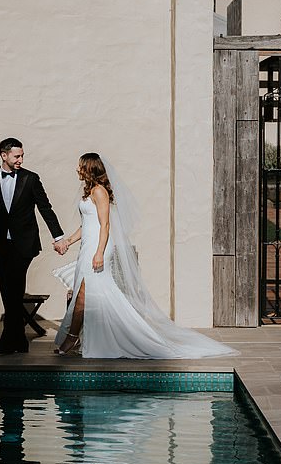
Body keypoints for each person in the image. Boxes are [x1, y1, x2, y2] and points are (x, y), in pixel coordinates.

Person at [54, 153, 235, 359]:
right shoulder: (88, 192)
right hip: (87, 245)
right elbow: (86, 224)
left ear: (89, 168)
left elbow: (105, 224)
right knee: (86, 292)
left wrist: (99, 253)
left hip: (99, 246)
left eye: (80, 166)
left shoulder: (99, 191)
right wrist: (68, 241)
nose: (77, 169)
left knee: (84, 294)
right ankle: (84, 335)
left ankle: (73, 336)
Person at [0, 138, 65, 354]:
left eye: (22, 156)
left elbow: (45, 208)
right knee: (7, 291)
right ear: (3, 155)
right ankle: (20, 340)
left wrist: (58, 236)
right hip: (0, 245)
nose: (20, 160)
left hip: (24, 245)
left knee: (13, 288)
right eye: (17, 156)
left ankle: (8, 339)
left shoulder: (30, 179)